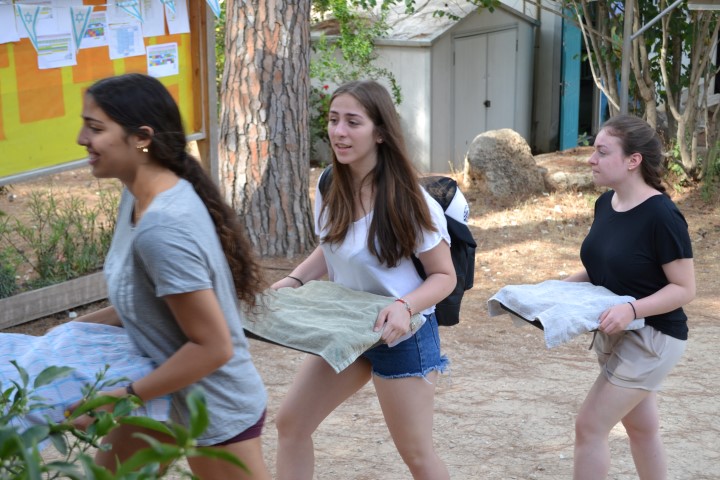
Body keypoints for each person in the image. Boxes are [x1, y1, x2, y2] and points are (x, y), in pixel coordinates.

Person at [74, 73, 270, 480]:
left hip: (210, 410)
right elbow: (145, 302)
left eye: (95, 128)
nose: (81, 139)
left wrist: (121, 398)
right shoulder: (137, 196)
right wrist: (65, 337)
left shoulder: (162, 227)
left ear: (141, 138)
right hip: (159, 400)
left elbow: (213, 347)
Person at [271, 80, 456, 480]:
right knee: (291, 425)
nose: (339, 132)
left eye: (353, 122)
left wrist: (404, 307)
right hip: (349, 325)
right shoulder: (329, 184)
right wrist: (294, 280)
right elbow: (333, 246)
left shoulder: (410, 202)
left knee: (417, 455)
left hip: (402, 334)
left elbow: (444, 276)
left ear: (380, 133)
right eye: (333, 120)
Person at [564, 114, 695, 479]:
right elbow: (604, 268)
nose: (591, 159)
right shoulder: (606, 204)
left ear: (633, 160)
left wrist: (632, 309)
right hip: (616, 331)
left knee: (589, 426)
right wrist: (552, 291)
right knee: (641, 428)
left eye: (602, 152)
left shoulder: (662, 215)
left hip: (653, 337)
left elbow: (685, 288)